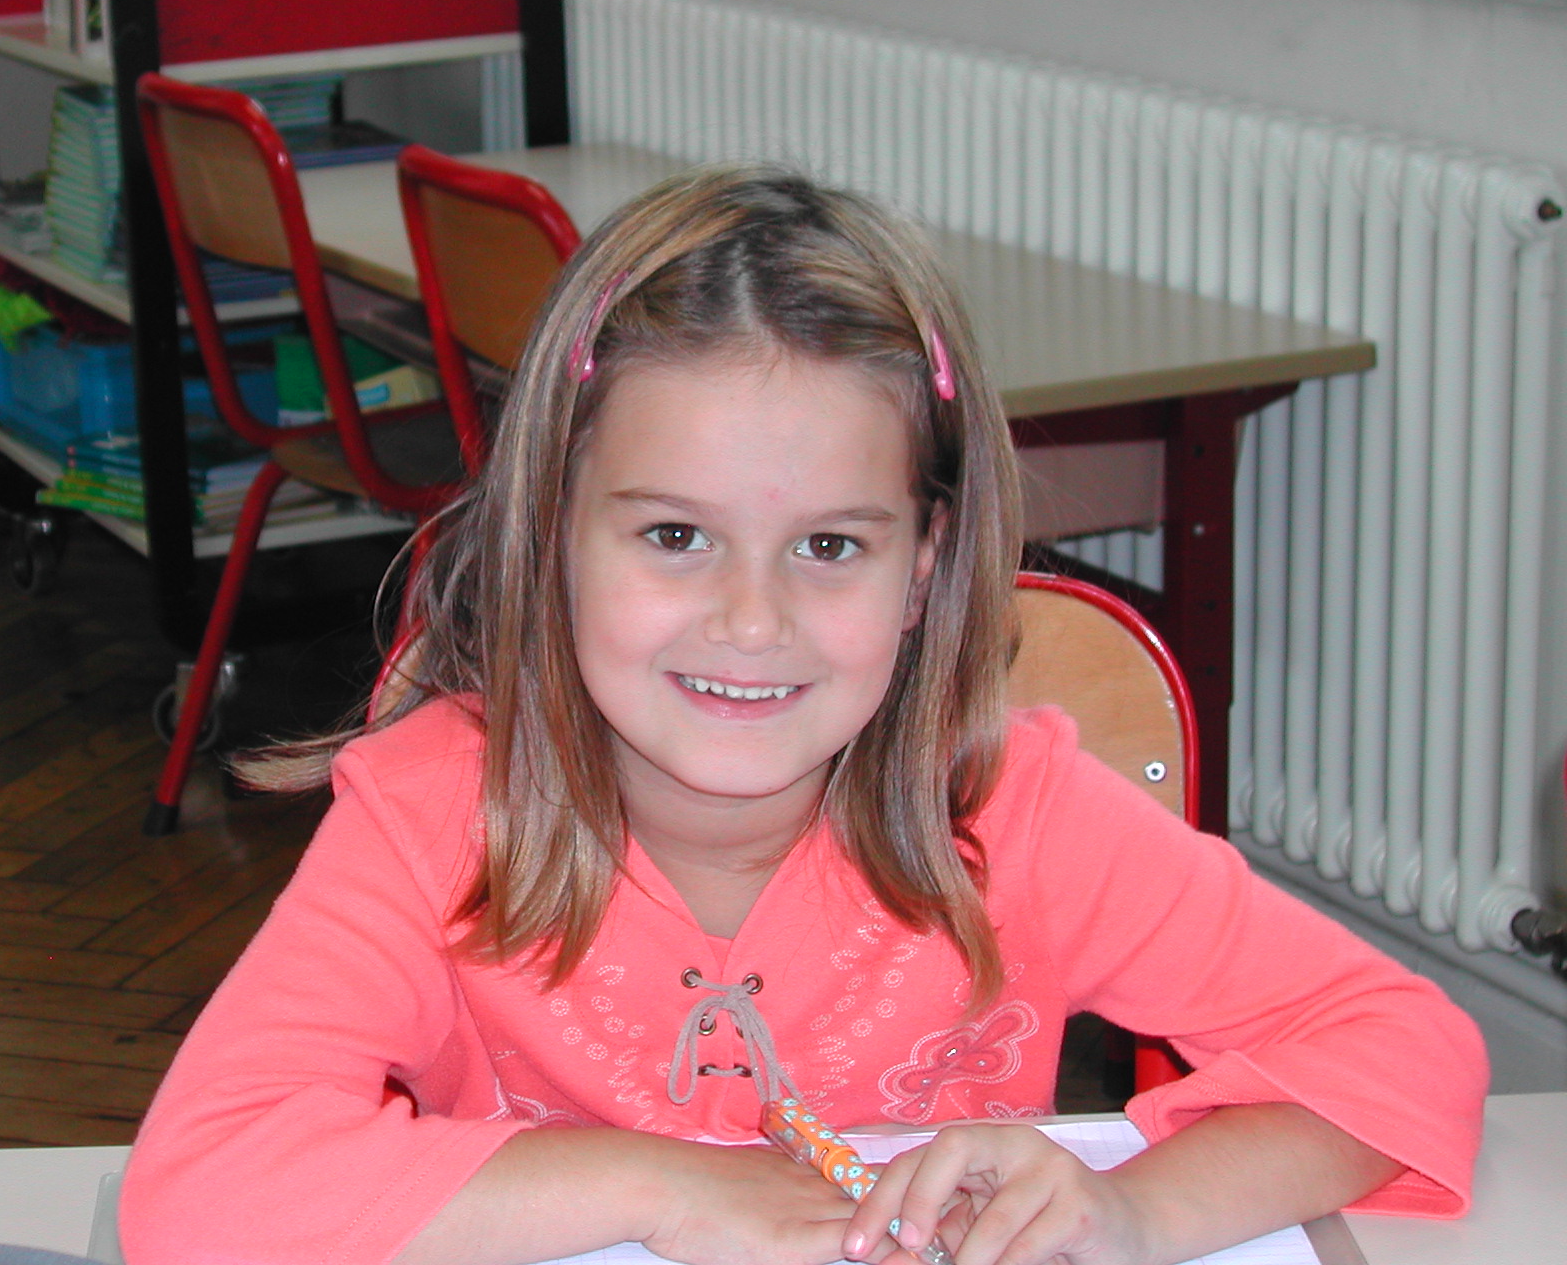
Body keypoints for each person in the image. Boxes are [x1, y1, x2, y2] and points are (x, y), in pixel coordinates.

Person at [121, 168, 1486, 1265]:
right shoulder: (436, 816)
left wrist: (1133, 1213)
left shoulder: (1014, 815)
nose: (752, 622)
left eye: (831, 547)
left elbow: (1406, 1047)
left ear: (925, 569)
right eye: (674, 535)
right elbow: (197, 1192)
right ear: (551, 537)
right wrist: (666, 1188)